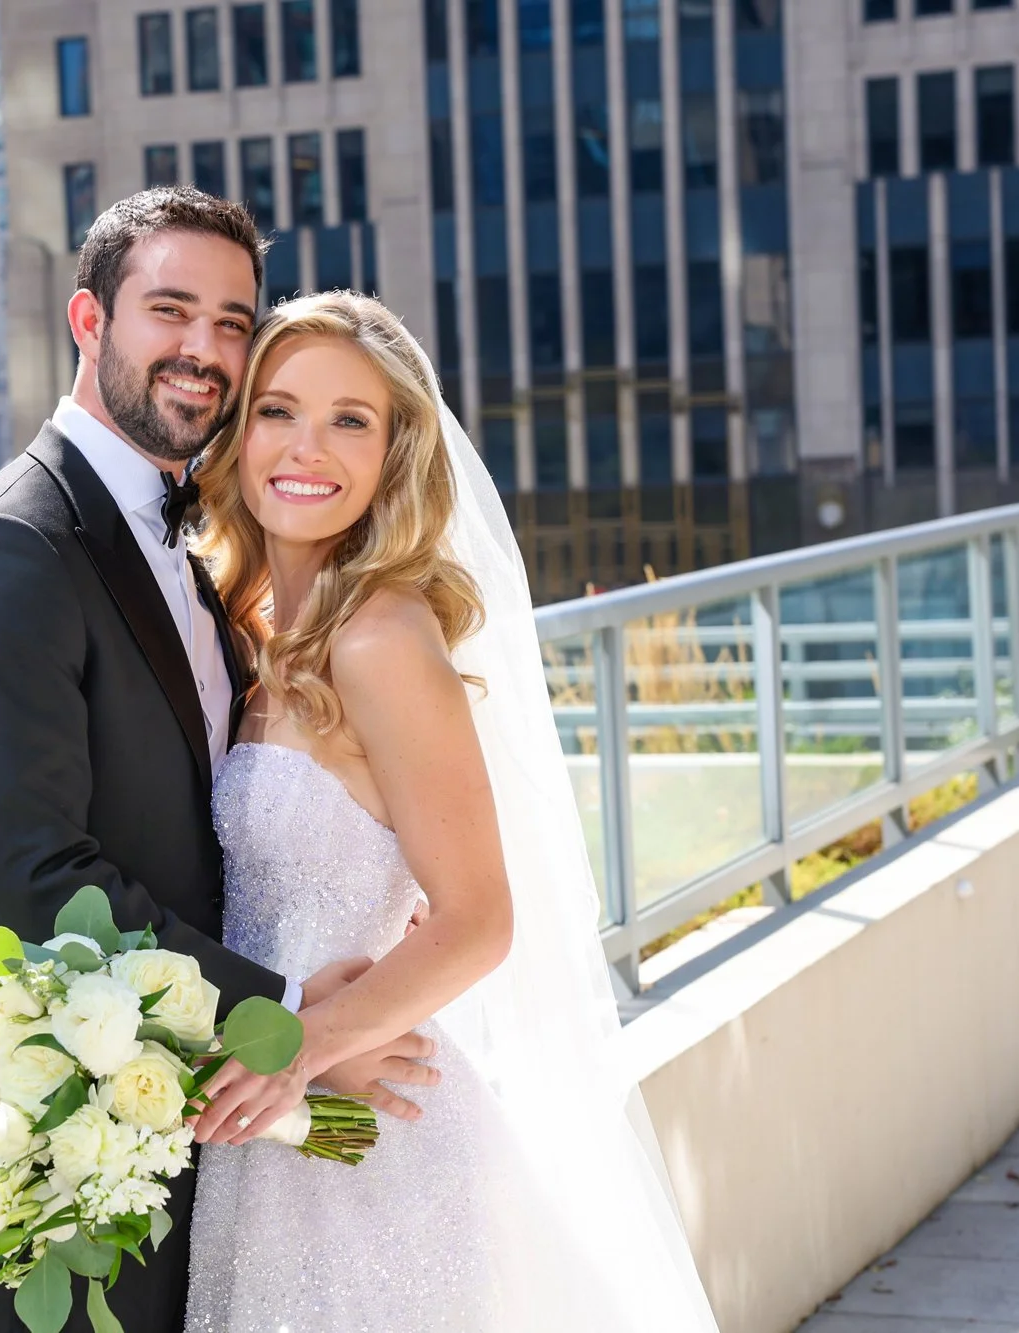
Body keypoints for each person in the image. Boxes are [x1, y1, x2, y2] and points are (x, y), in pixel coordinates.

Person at [0, 191, 439, 1333]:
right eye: (170, 310)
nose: (203, 350)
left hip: (219, 1130)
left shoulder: (197, 556)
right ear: (89, 319)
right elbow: (43, 884)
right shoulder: (9, 550)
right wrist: (286, 1020)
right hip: (64, 1129)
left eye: (232, 323)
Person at [180, 290, 720, 1330]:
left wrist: (306, 1038)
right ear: (235, 433)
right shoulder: (246, 635)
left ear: (393, 454)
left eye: (351, 419)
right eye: (278, 409)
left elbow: (476, 919)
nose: (308, 446)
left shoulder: (379, 638)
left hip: (368, 1143)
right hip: (273, 1129)